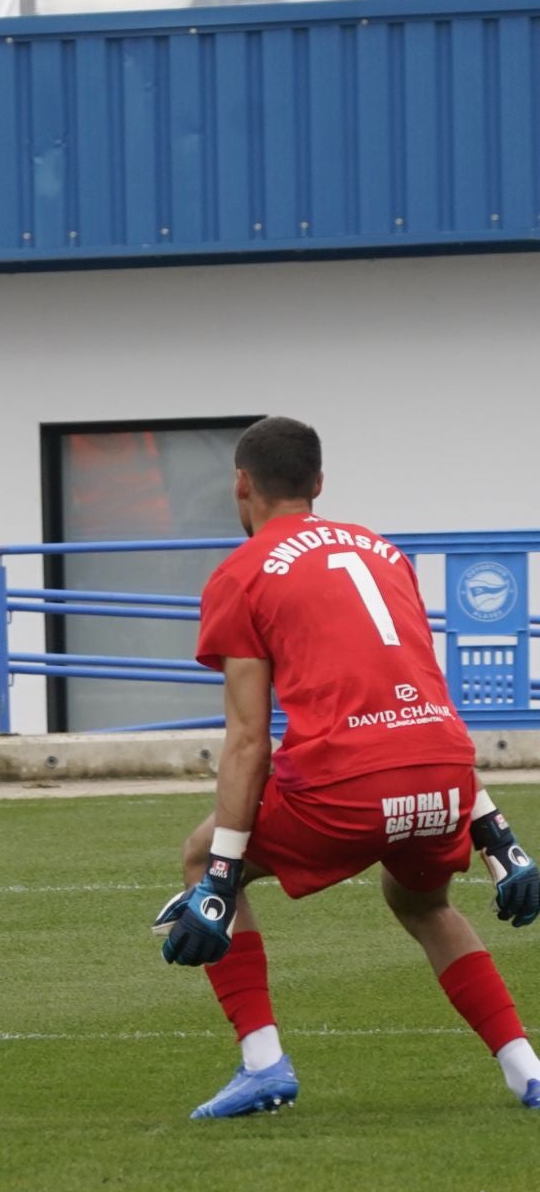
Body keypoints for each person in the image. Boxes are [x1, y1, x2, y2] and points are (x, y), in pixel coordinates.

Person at [154, 415, 540, 1117]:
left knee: (201, 849)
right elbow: (424, 703)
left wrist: (218, 877)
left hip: (347, 788)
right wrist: (499, 840)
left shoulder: (241, 573)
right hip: (442, 771)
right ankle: (527, 1069)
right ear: (319, 483)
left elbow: (248, 741)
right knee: (420, 899)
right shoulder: (384, 552)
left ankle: (263, 1063)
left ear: (241, 484)